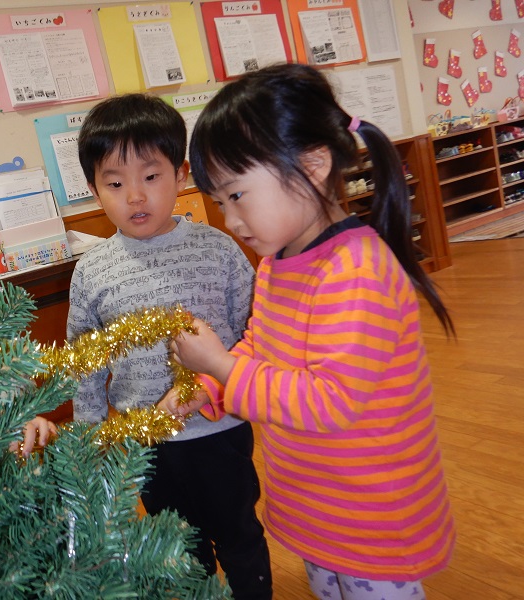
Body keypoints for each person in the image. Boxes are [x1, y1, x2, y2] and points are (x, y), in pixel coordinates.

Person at [165, 63, 456, 600]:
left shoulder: (357, 272)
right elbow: (263, 344)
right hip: (320, 501)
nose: (229, 219)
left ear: (314, 165)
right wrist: (204, 386)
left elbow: (330, 401)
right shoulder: (279, 261)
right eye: (220, 201)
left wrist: (222, 367)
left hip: (372, 514)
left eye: (237, 195)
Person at [69, 93, 273, 599]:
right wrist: (89, 445)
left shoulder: (218, 248)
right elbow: (86, 368)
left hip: (220, 429)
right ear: (95, 190)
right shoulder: (91, 271)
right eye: (115, 183)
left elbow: (258, 330)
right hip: (148, 445)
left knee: (240, 535)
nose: (135, 196)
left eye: (151, 177)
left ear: (181, 175)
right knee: (180, 548)